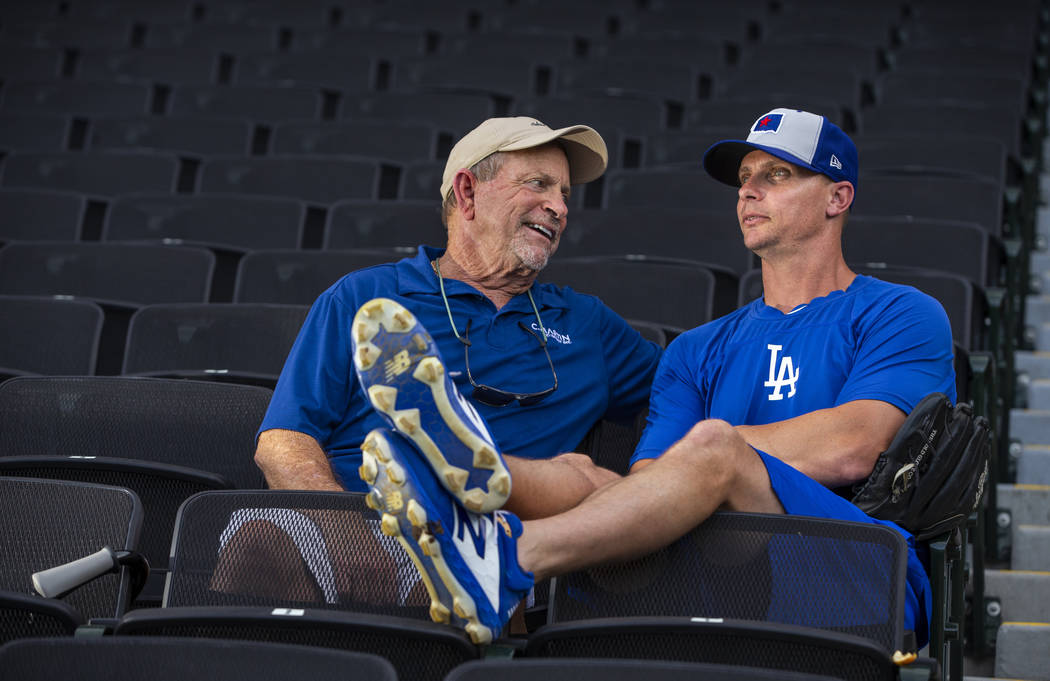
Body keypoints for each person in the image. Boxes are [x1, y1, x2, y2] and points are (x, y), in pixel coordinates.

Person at [355, 108, 958, 646]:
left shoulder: (901, 313)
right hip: (715, 572)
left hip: (855, 571)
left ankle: (506, 562)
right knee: (594, 475)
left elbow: (856, 447)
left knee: (713, 448)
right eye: (744, 179)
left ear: (837, 197)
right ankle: (463, 464)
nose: (748, 192)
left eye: (777, 176)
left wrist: (712, 455)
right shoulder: (695, 349)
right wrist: (692, 471)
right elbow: (653, 482)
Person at [254, 116, 663, 520]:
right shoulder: (366, 298)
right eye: (538, 184)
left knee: (581, 476)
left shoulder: (586, 323)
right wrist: (336, 526)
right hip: (357, 516)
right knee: (254, 537)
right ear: (467, 192)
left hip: (500, 541)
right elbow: (284, 440)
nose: (558, 207)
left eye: (565, 195)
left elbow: (692, 381)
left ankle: (451, 486)